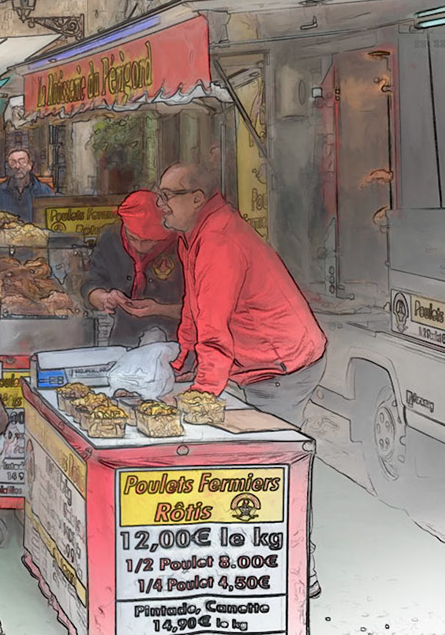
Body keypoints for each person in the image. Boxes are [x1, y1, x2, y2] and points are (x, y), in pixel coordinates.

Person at [157, 163, 327, 597]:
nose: (162, 205)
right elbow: (195, 309)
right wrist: (181, 359)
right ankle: (245, 558)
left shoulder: (218, 240)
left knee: (273, 469)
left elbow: (215, 330)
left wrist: (200, 395)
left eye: (169, 196)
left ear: (197, 198)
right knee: (247, 464)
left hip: (283, 364)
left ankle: (298, 571)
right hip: (255, 362)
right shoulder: (194, 235)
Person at [83, 189, 185, 346]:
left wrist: (159, 309)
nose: (140, 247)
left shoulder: (180, 244)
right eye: (133, 238)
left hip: (175, 338)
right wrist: (103, 298)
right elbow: (91, 283)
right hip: (123, 339)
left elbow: (202, 309)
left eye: (149, 241)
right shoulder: (111, 238)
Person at [0, 148, 56, 223]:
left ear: (30, 165)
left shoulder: (45, 191)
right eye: (12, 162)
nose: (17, 166)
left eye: (22, 162)